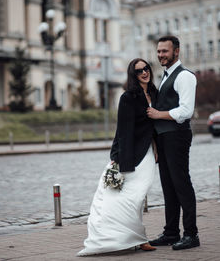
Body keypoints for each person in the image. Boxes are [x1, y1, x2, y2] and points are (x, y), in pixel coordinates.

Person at [77, 58, 158, 256]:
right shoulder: (128, 97)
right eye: (139, 71)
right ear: (133, 75)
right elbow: (123, 130)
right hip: (130, 155)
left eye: (146, 69)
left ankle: (137, 238)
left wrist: (156, 148)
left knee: (138, 197)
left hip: (148, 152)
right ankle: (134, 238)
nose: (144, 73)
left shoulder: (156, 93)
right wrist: (118, 157)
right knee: (127, 199)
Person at [146, 35, 200, 250]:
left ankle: (191, 234)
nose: (161, 55)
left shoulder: (185, 76)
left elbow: (186, 111)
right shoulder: (165, 75)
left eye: (165, 51)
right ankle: (171, 232)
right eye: (159, 51)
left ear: (176, 51)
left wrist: (158, 114)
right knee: (168, 187)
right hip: (165, 139)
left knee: (181, 185)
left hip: (177, 137)